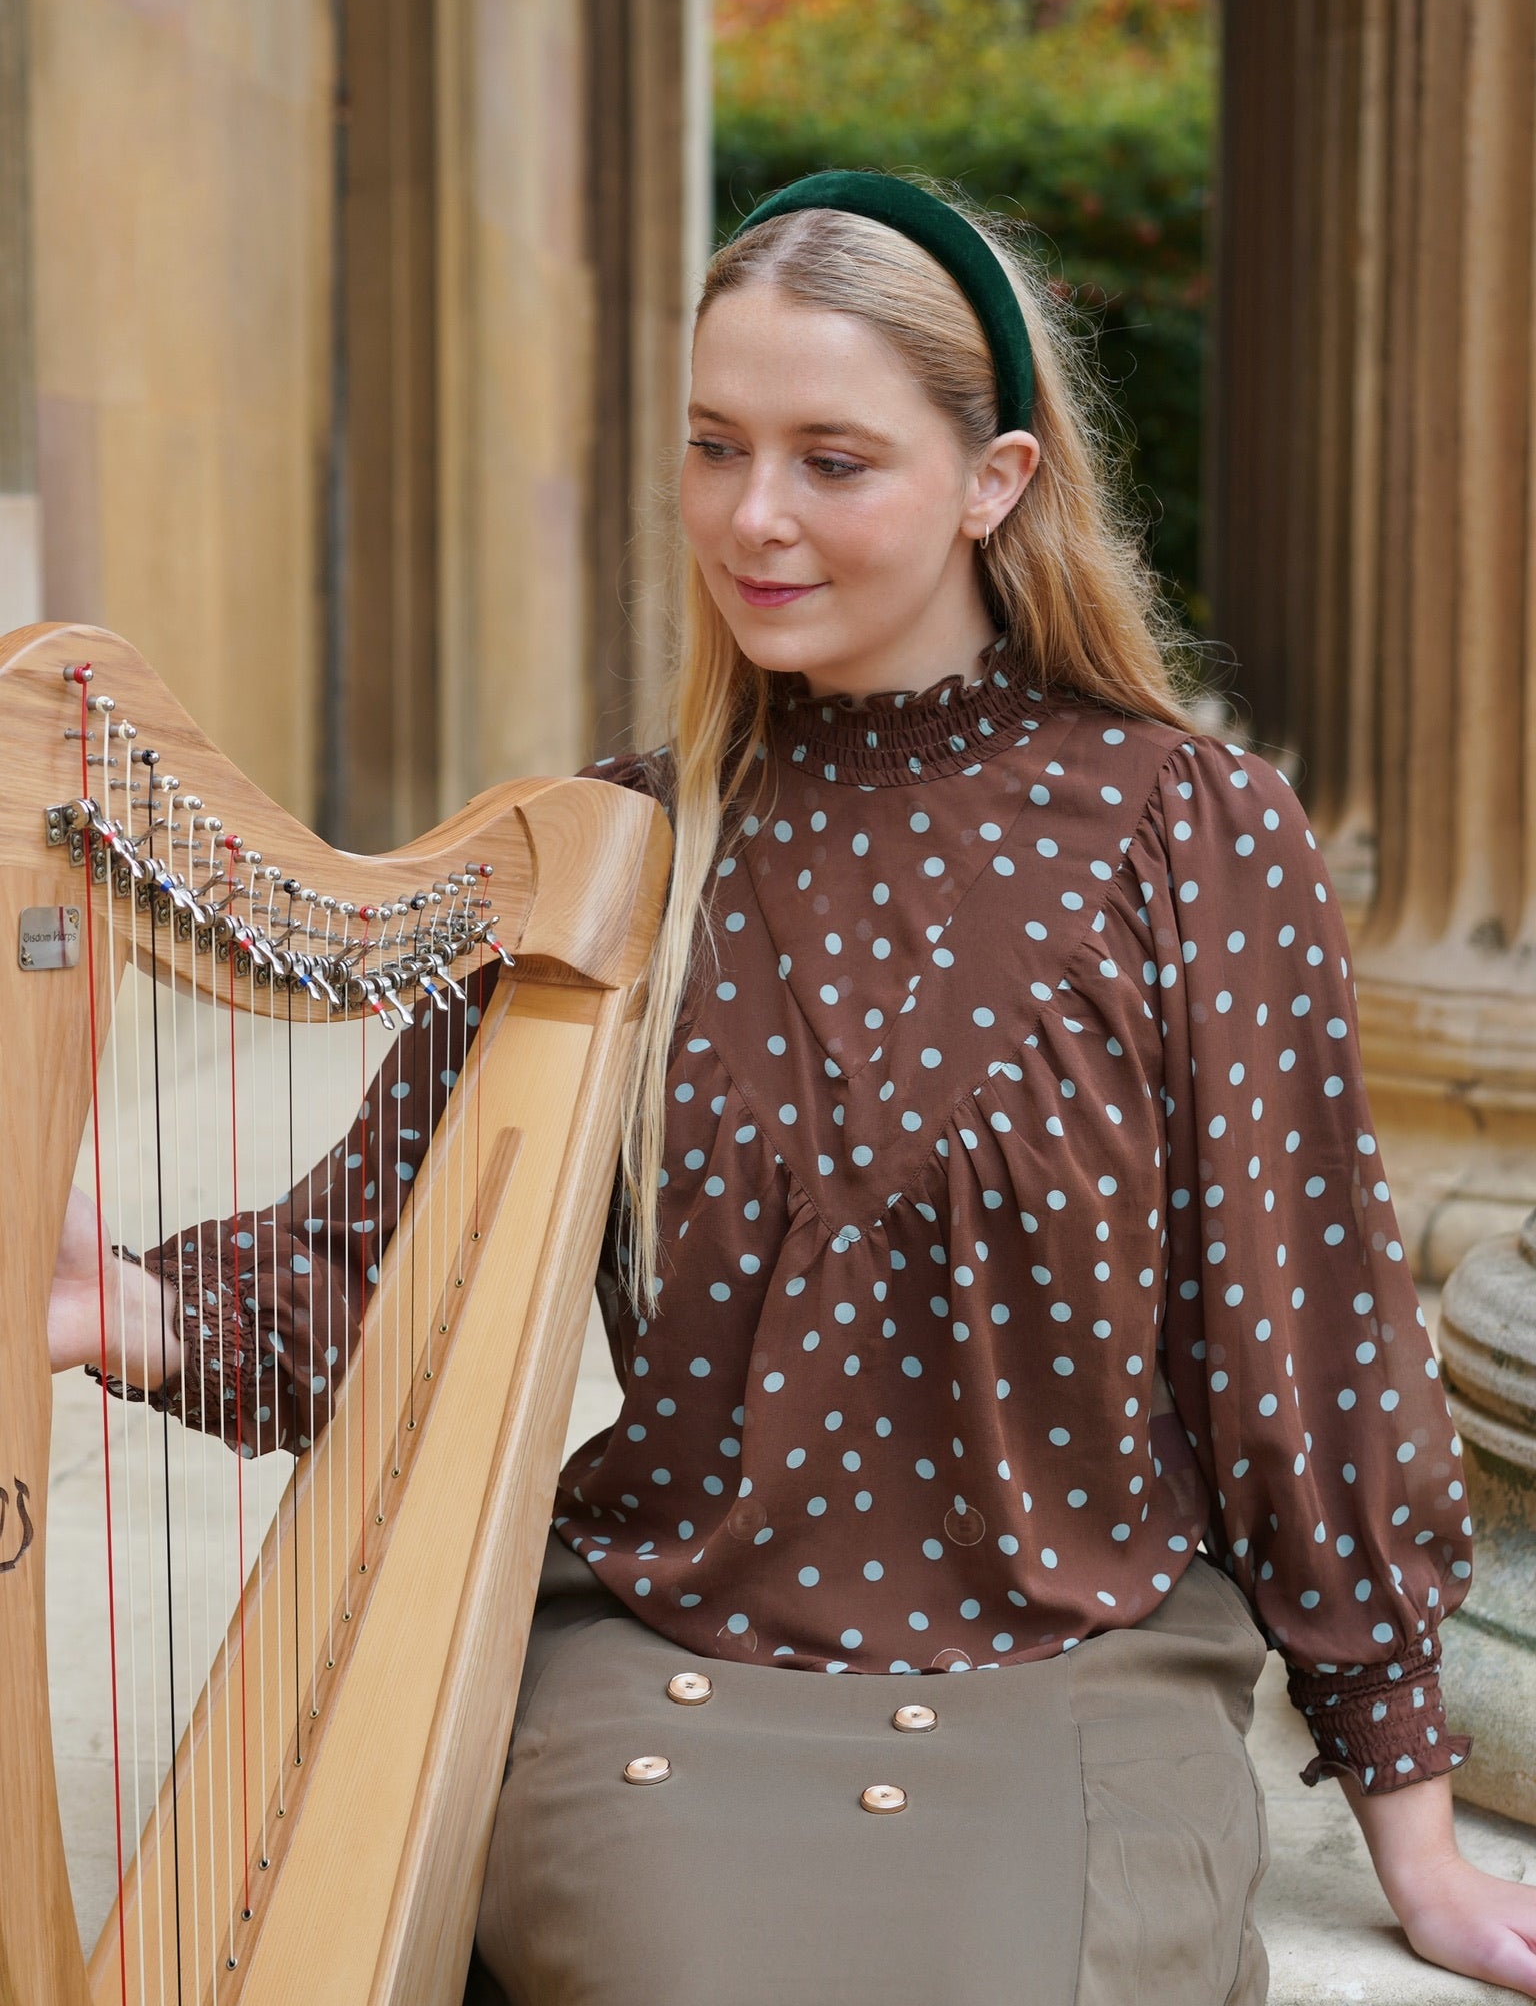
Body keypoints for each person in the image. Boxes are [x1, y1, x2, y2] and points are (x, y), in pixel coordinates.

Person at [53, 173, 1536, 2003]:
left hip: (1063, 1669)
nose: (753, 517)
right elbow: (374, 1280)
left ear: (994, 481)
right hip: (670, 1652)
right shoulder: (620, 850)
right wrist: (112, 1305)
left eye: (834, 460)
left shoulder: (1187, 833)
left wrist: (1415, 1832)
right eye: (714, 446)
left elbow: (1296, 1346)